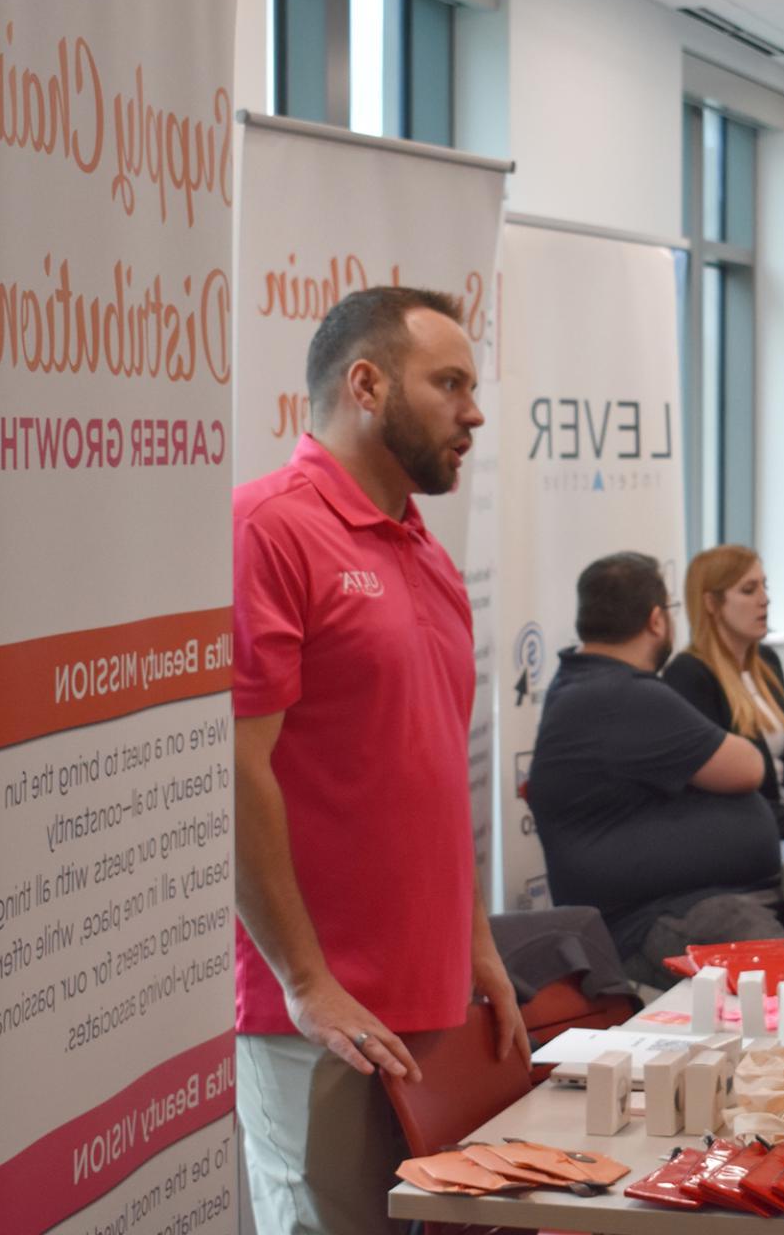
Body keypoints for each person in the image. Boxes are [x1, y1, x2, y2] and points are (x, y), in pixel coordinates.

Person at [230, 288, 528, 1234]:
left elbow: (431, 768)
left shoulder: (426, 551)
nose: (473, 412)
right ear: (366, 384)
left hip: (434, 997)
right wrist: (308, 983)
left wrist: (477, 945)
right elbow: (232, 770)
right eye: (449, 384)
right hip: (319, 1014)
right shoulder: (268, 529)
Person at [526, 551, 784, 989]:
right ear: (656, 621)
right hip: (655, 918)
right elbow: (749, 767)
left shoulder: (586, 684)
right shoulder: (622, 695)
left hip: (695, 897)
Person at [663, 546, 784, 840]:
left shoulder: (766, 663)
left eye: (764, 586)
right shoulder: (690, 675)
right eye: (749, 590)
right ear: (711, 603)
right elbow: (723, 797)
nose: (765, 599)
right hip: (754, 837)